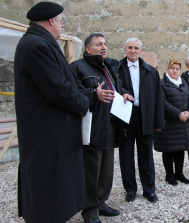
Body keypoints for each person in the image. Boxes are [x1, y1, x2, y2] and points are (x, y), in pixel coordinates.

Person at [14, 2, 90, 223]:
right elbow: (59, 90)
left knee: (55, 188)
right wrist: (85, 102)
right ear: (51, 21)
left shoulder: (38, 42)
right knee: (49, 191)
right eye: (61, 20)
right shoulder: (38, 45)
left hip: (50, 130)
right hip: (47, 132)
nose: (62, 25)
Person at [71, 33, 133, 223]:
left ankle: (101, 203)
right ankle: (89, 211)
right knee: (91, 170)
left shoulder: (109, 66)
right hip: (92, 125)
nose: (104, 47)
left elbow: (117, 87)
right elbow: (70, 93)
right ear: (88, 49)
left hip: (111, 124)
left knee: (106, 169)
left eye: (105, 44)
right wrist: (92, 94)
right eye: (99, 44)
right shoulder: (77, 67)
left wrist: (124, 93)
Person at [117, 37, 164, 202]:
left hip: (145, 116)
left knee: (146, 155)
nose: (133, 51)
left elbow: (159, 98)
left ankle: (149, 189)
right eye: (130, 47)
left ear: (141, 51)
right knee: (126, 155)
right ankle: (130, 189)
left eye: (136, 48)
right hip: (125, 116)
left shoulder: (151, 71)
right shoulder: (117, 68)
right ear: (125, 49)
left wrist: (158, 123)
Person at [154, 59, 189, 186]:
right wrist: (178, 114)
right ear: (168, 69)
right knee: (169, 150)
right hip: (169, 123)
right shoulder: (162, 84)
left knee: (180, 149)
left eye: (177, 69)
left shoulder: (183, 83)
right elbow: (162, 102)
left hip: (183, 123)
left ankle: (179, 173)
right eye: (173, 68)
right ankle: (169, 175)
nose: (175, 71)